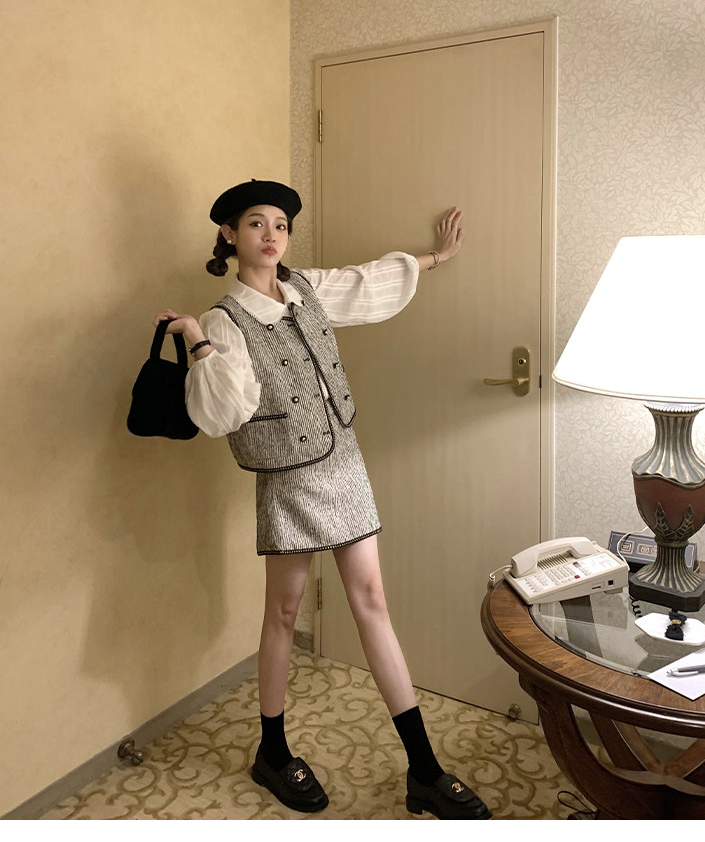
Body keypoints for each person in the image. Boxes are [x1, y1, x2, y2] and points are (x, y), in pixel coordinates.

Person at [155, 179, 490, 821]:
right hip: (287, 475)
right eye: (257, 223)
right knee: (282, 614)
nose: (272, 235)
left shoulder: (306, 288)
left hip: (344, 462)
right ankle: (273, 752)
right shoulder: (224, 319)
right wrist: (195, 335)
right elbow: (224, 413)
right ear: (229, 234)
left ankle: (424, 770)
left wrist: (435, 258)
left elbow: (366, 281)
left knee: (372, 603)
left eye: (280, 224)